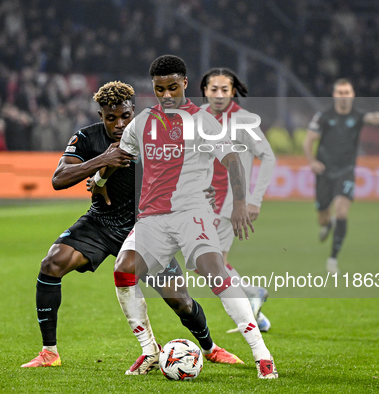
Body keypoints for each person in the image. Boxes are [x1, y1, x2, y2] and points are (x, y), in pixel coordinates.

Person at [22, 81, 240, 369]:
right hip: (102, 222)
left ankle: (210, 348)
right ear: (101, 116)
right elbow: (58, 178)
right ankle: (49, 352)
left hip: (148, 228)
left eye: (125, 116)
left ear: (133, 111)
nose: (120, 124)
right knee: (51, 263)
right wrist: (103, 158)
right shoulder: (86, 138)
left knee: (181, 302)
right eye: (111, 118)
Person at [108, 55, 278, 379]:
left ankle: (262, 354)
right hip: (152, 219)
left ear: (185, 83)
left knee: (215, 272)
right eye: (160, 89)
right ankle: (148, 352)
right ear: (153, 88)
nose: (167, 95)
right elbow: (121, 156)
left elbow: (233, 161)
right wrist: (100, 180)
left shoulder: (203, 121)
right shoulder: (142, 121)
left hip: (192, 213)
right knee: (123, 272)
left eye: (173, 87)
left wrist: (240, 203)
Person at [200, 68, 276, 333]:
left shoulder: (243, 121)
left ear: (233, 92)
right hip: (201, 202)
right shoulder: (196, 117)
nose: (219, 95)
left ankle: (250, 314)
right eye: (214, 89)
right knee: (206, 265)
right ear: (205, 90)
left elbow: (268, 157)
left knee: (209, 264)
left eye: (225, 89)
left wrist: (254, 199)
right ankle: (253, 297)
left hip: (228, 205)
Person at [303, 78, 379, 274]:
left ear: (352, 95)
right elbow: (308, 140)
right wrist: (312, 161)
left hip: (345, 171)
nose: (344, 97)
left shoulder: (358, 115)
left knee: (342, 212)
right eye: (340, 92)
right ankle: (328, 224)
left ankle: (332, 260)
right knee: (322, 216)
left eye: (347, 92)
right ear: (334, 95)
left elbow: (375, 116)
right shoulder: (324, 116)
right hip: (324, 172)